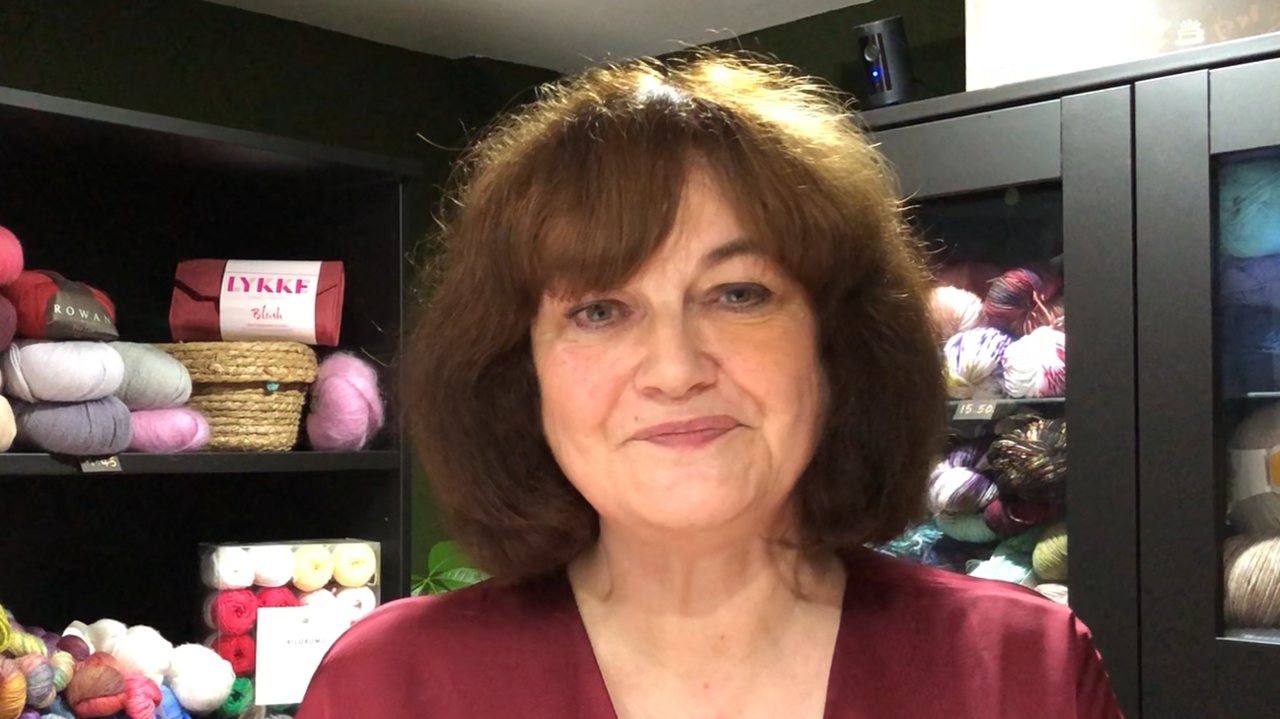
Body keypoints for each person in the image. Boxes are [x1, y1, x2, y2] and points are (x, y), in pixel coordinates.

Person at [294, 50, 1124, 718]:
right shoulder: (387, 688)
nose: (675, 368)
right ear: (520, 371)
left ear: (837, 345)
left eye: (739, 294)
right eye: (598, 310)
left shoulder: (1025, 672)